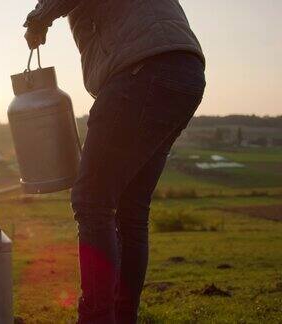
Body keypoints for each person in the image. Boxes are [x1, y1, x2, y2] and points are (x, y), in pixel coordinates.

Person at [23, 1, 206, 323]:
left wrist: (39, 18)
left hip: (141, 69)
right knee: (131, 211)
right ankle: (122, 317)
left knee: (92, 201)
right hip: (184, 70)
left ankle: (95, 318)